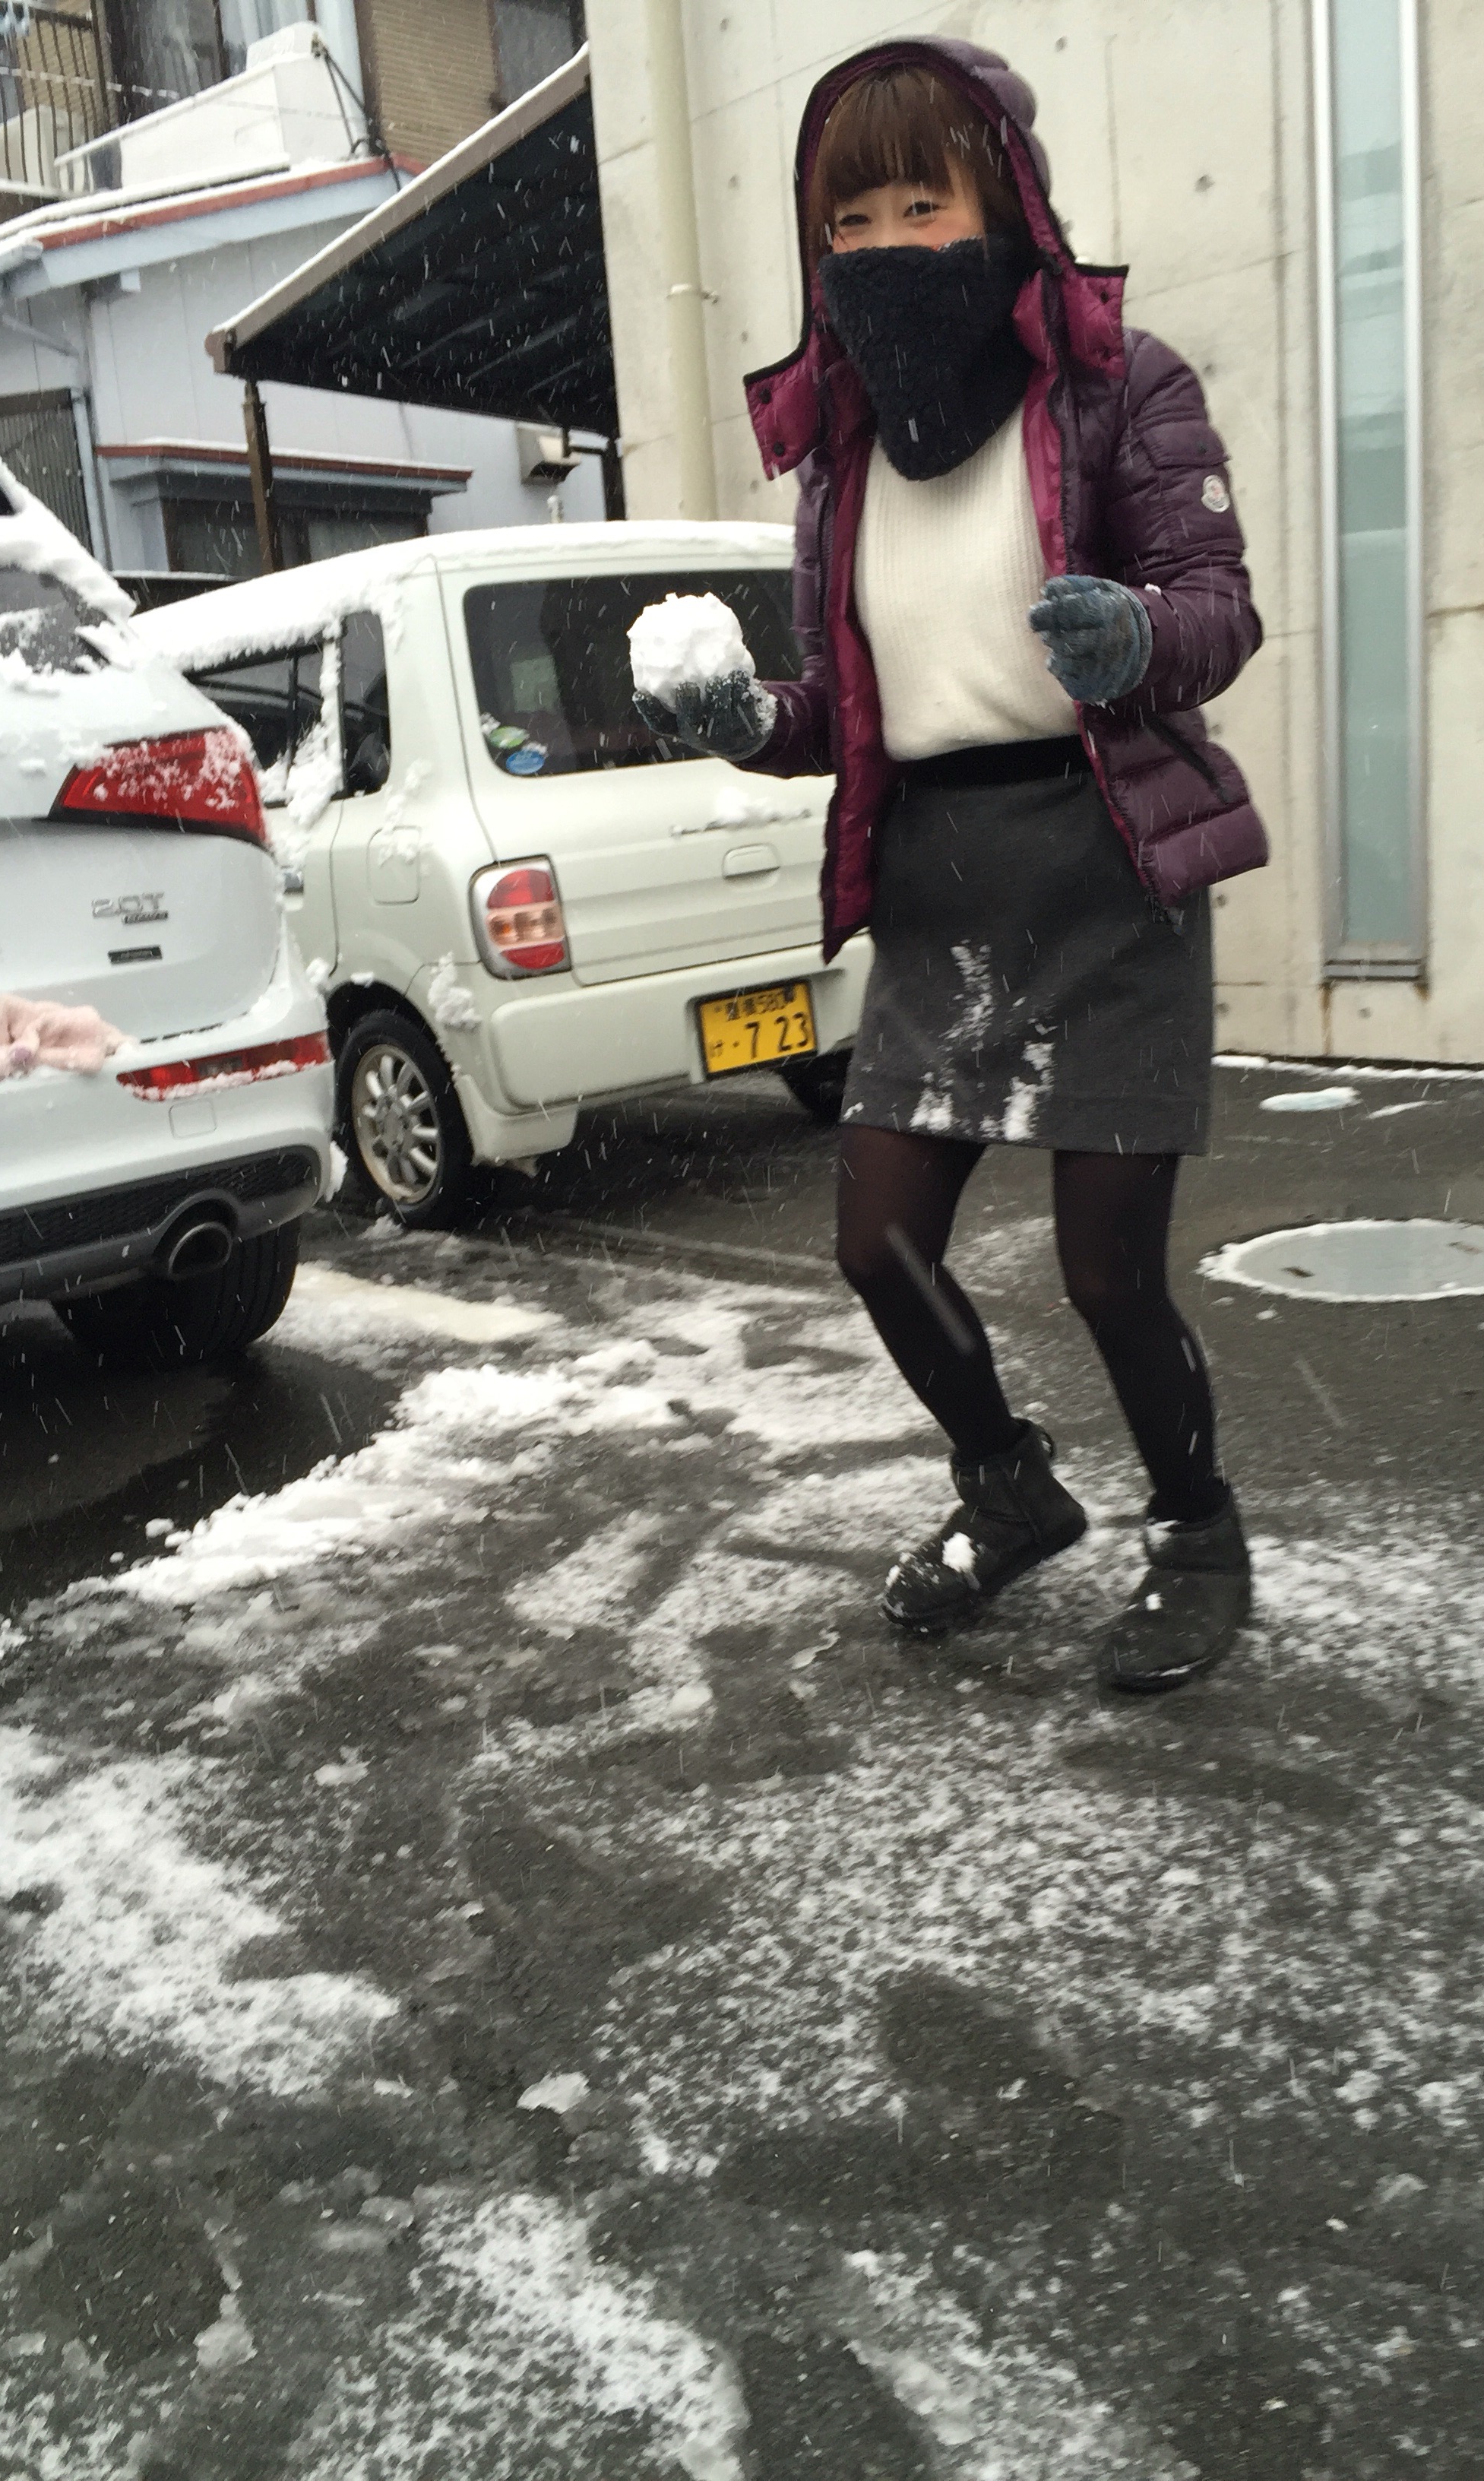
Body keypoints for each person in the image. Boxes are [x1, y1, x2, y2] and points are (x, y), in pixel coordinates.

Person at [632, 39, 1269, 1693]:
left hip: (1105, 862)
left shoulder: (1121, 385)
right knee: (879, 1245)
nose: (888, 245)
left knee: (1107, 1271)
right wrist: (740, 717)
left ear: (1004, 202)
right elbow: (842, 708)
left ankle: (1197, 1529)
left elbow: (1218, 607)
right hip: (939, 877)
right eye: (853, 220)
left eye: (925, 203)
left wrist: (1136, 634)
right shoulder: (841, 454)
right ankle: (1008, 1485)